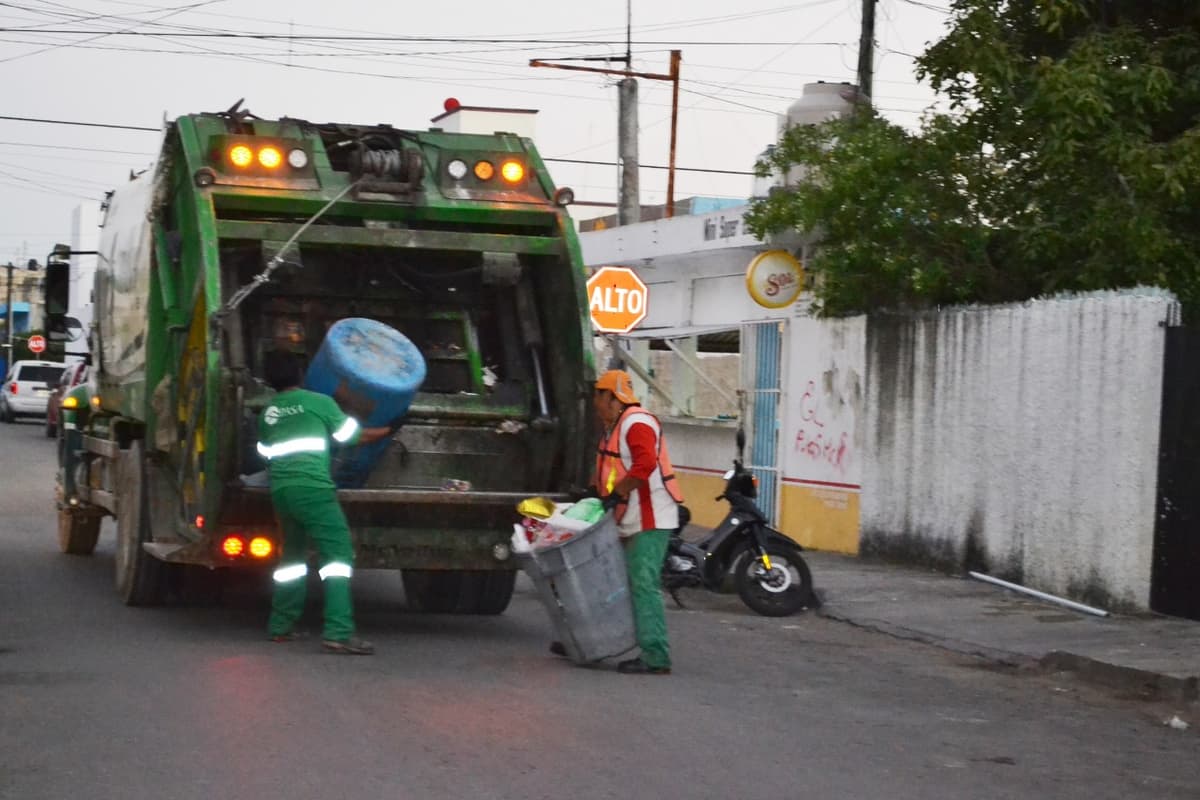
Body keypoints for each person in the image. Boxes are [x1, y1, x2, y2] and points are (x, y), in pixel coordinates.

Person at [256, 349, 398, 655]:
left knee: (291, 558)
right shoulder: (319, 403)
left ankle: (280, 626)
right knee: (338, 558)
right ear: (301, 374)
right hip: (313, 490)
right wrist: (391, 428)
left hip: (282, 491)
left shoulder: (269, 412)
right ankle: (338, 632)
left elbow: (265, 452)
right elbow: (354, 437)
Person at [591, 368, 683, 675]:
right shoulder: (616, 425)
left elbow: (644, 464)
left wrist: (617, 493)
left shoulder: (636, 422)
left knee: (643, 584)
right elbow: (612, 465)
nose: (595, 403)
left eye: (598, 395)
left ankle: (656, 656)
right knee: (610, 581)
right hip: (629, 515)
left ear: (611, 397)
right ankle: (593, 642)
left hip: (650, 516)